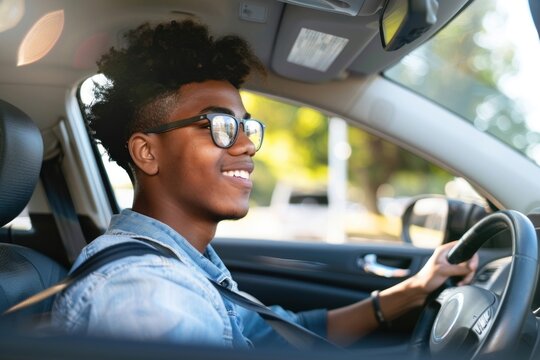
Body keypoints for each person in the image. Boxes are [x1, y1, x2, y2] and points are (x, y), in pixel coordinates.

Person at [51, 19, 478, 349]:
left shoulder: (187, 265)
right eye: (219, 125)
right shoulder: (147, 292)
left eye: (245, 126)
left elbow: (281, 333)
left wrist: (416, 289)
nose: (246, 146)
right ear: (147, 153)